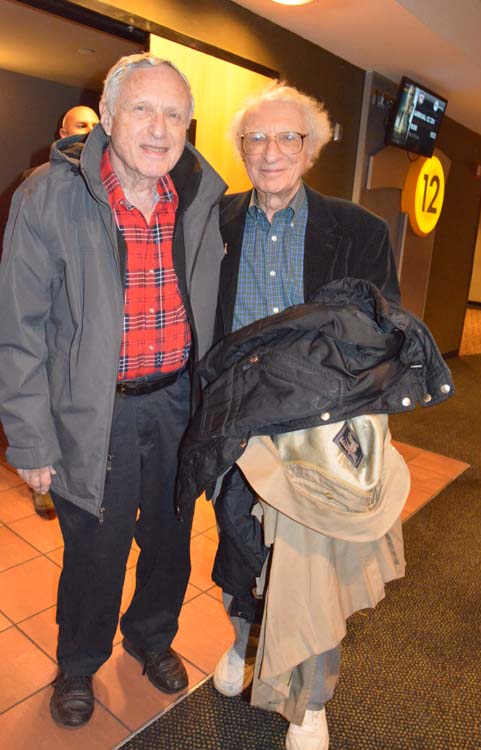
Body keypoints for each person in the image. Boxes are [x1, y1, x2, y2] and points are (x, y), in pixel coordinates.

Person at [0, 52, 226, 728]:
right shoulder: (50, 194)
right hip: (92, 415)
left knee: (170, 539)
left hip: (177, 405)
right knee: (94, 553)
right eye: (143, 109)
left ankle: (151, 637)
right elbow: (19, 330)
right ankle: (78, 663)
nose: (160, 129)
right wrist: (31, 438)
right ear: (108, 115)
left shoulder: (201, 196)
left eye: (175, 115)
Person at [212, 82, 403, 750]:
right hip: (235, 421)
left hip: (320, 426)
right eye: (256, 138)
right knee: (240, 545)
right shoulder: (216, 224)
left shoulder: (359, 231)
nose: (270, 152)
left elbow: (382, 332)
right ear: (241, 149)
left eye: (287, 137)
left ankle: (311, 702)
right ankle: (244, 639)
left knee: (312, 567)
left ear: (312, 148)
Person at [28, 108, 100, 521]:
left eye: (94, 125)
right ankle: (44, 486)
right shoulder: (41, 187)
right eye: (80, 125)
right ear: (62, 133)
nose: (89, 131)